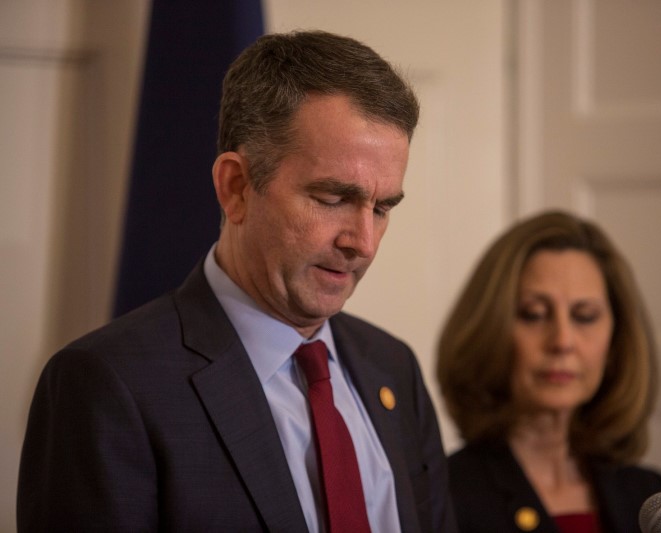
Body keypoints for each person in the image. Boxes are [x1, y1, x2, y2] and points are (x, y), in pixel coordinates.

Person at [18, 30, 455, 533]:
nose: (364, 243)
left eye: (381, 209)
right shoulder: (109, 386)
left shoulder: (391, 367)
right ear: (236, 187)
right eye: (333, 199)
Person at [437, 210, 661, 533]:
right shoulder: (444, 496)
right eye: (534, 314)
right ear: (489, 332)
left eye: (585, 316)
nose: (562, 341)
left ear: (616, 341)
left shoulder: (651, 498)